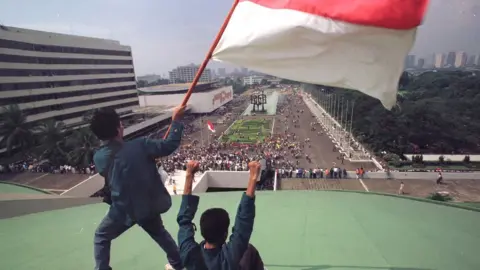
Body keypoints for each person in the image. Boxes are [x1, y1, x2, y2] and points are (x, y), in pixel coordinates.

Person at [90, 105, 186, 270]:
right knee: (161, 235)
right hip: (146, 208)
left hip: (122, 210)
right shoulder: (141, 145)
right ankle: (177, 264)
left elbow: (119, 168)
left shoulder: (99, 158)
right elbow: (169, 145)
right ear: (118, 129)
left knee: (101, 237)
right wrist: (175, 121)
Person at [177, 160, 265, 269]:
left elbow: (184, 221)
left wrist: (189, 175)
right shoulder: (229, 258)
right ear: (225, 235)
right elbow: (243, 224)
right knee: (249, 250)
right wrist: (253, 178)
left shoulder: (189, 254)